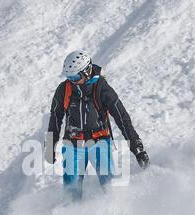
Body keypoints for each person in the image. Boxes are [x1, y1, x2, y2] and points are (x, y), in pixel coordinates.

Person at [45, 50, 149, 199]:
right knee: (71, 188)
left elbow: (122, 118)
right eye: (69, 77)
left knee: (110, 185)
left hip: (99, 142)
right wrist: (50, 144)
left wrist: (137, 147)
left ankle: (115, 212)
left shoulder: (102, 88)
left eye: (75, 76)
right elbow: (55, 117)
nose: (72, 80)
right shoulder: (64, 90)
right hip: (73, 143)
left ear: (86, 71)